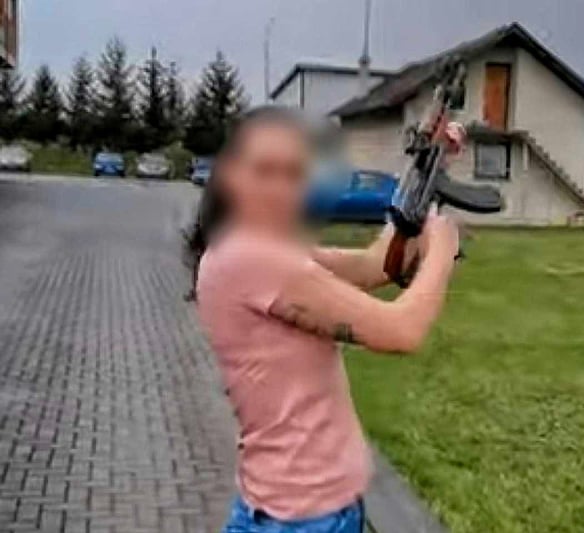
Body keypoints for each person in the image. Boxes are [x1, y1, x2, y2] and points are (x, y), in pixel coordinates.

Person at [184, 106, 463, 533]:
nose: (281, 188)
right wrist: (442, 249)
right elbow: (401, 331)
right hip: (305, 518)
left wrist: (428, 166)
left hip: (290, 510)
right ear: (230, 178)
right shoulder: (250, 257)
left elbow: (376, 264)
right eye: (264, 171)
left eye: (293, 174)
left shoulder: (256, 250)